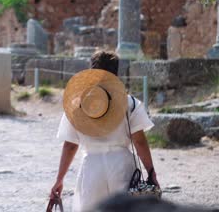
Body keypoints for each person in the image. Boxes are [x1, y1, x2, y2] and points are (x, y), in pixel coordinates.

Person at [49, 51, 159, 211]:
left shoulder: (77, 105)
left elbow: (70, 145)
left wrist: (59, 179)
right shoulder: (130, 103)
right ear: (115, 73)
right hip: (122, 165)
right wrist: (151, 172)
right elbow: (139, 141)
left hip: (91, 167)